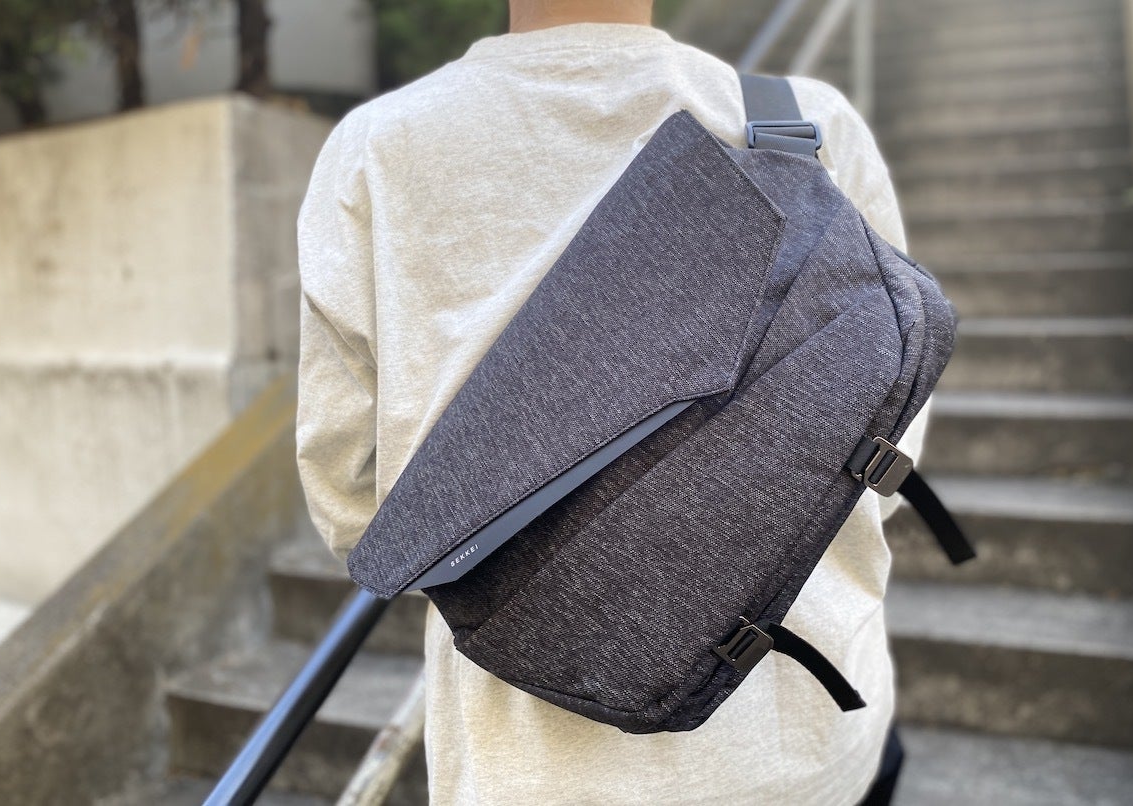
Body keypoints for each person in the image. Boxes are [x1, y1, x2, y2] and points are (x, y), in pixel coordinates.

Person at [295, 1, 927, 803]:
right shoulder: (806, 124)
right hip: (814, 746)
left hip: (536, 767)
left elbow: (351, 503)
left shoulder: (375, 150)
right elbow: (883, 452)